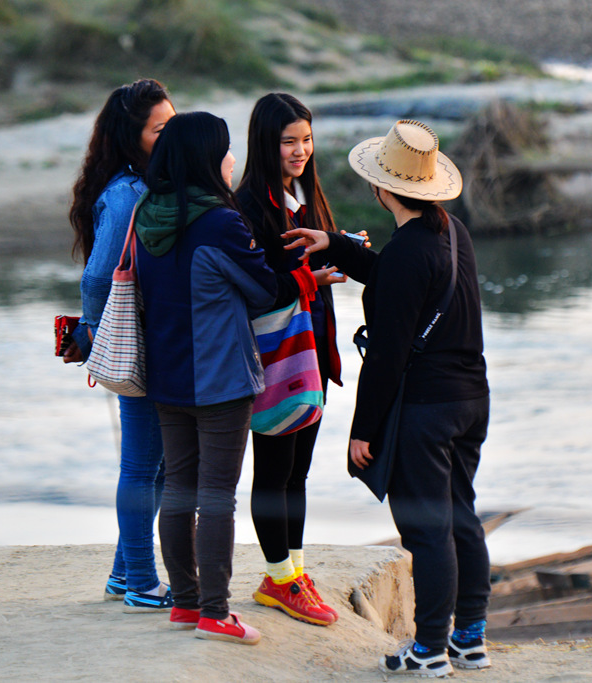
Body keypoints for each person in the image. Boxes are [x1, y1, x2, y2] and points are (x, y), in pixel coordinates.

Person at [286, 120, 491, 676]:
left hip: (427, 408)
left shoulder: (406, 252)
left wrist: (364, 430)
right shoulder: (452, 233)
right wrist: (338, 246)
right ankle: (469, 638)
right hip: (472, 398)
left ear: (382, 190)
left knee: (426, 527)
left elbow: (387, 355)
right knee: (460, 516)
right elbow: (398, 279)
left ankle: (428, 650)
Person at [133, 111, 278, 645]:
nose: (232, 159)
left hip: (167, 378)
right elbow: (265, 290)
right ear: (205, 158)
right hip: (218, 380)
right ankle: (217, 612)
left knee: (179, 489)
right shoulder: (219, 221)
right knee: (217, 495)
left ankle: (187, 604)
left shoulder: (147, 214)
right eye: (225, 150)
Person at [235, 93, 348, 627]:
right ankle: (279, 578)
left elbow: (309, 264)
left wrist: (340, 248)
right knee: (273, 471)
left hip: (313, 350)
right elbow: (255, 288)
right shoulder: (249, 207)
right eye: (288, 142)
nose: (300, 150)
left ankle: (291, 571)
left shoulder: (307, 193)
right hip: (277, 355)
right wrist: (309, 275)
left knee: (298, 472)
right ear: (265, 143)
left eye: (306, 139)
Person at [65, 78, 175, 613]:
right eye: (160, 129)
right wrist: (93, 332)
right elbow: (97, 277)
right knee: (140, 467)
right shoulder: (129, 192)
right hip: (137, 345)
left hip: (149, 342)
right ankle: (141, 583)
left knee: (153, 466)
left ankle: (122, 574)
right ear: (133, 137)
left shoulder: (144, 184)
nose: (170, 135)